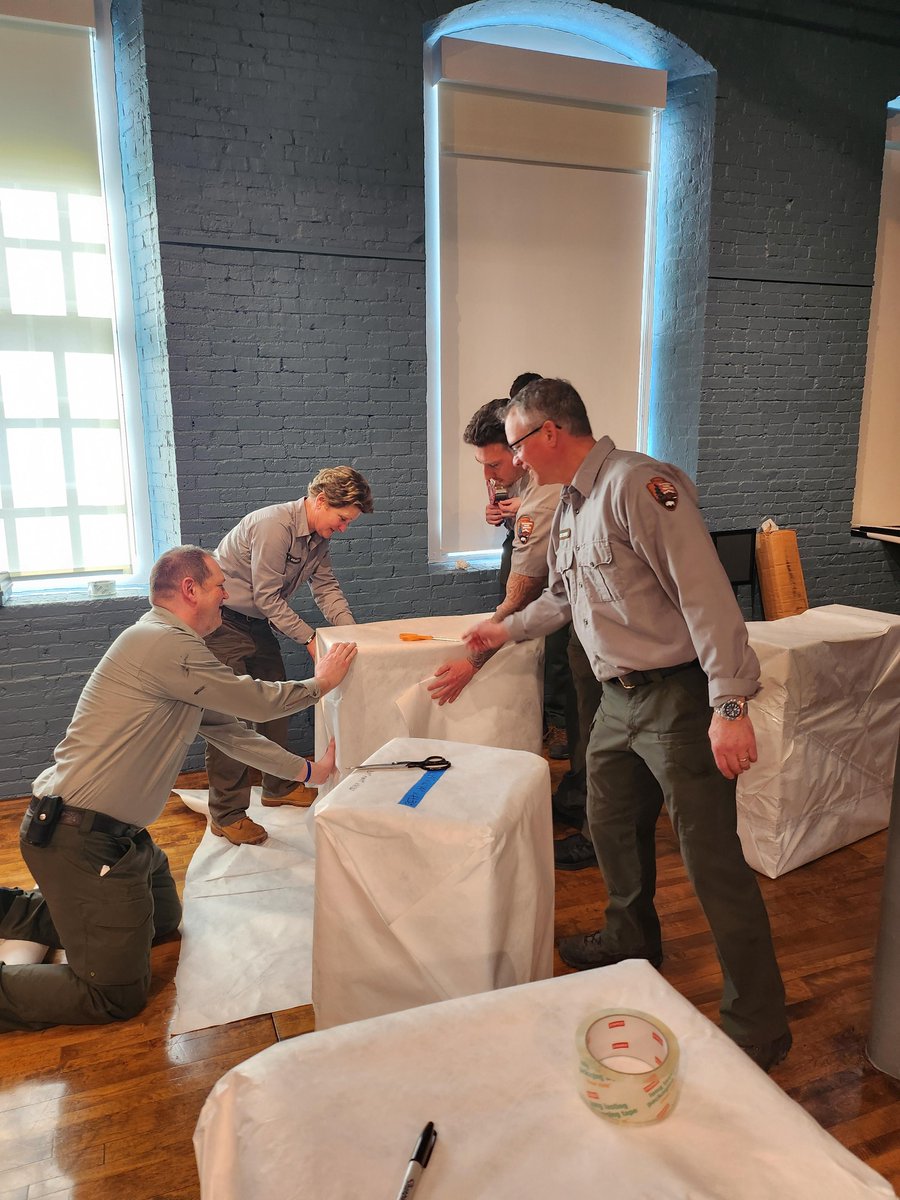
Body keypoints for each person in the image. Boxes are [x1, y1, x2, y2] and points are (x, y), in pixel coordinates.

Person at [463, 378, 791, 1071]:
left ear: (550, 433)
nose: (515, 460)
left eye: (517, 445)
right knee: (610, 824)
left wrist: (729, 705)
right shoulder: (572, 505)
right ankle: (630, 938)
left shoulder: (638, 486)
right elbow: (561, 598)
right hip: (617, 701)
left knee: (711, 862)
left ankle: (758, 1026)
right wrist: (505, 633)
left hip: (678, 696)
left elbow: (706, 598)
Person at [0, 546, 357, 1034]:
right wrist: (319, 683)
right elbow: (251, 698)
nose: (226, 596)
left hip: (117, 838)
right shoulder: (160, 642)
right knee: (116, 995)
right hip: (76, 837)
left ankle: (42, 913)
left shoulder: (172, 655)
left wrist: (307, 772)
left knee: (161, 925)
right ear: (190, 590)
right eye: (218, 587)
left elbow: (233, 730)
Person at [206, 466, 373, 844]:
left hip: (255, 623)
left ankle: (278, 787)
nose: (345, 527)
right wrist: (313, 641)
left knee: (279, 702)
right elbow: (268, 597)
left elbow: (326, 587)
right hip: (222, 624)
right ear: (320, 501)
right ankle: (227, 813)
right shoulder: (274, 526)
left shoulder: (318, 537)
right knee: (228, 719)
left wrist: (350, 633)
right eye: (343, 518)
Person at [428, 399, 576, 770]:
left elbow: (523, 595)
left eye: (494, 465)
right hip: (556, 584)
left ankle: (573, 776)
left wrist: (473, 662)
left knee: (567, 665)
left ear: (522, 450)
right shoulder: (527, 479)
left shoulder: (545, 491)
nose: (488, 476)